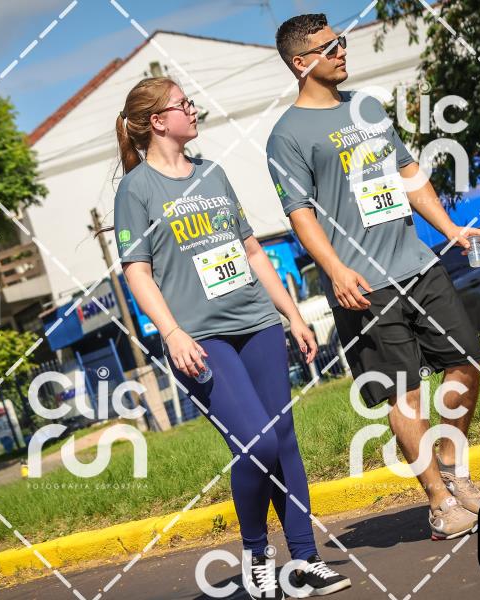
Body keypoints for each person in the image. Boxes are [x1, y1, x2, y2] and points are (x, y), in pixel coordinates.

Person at [113, 77, 352, 598]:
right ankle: (256, 551)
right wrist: (171, 332)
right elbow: (137, 272)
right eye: (183, 105)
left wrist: (292, 315)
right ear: (157, 121)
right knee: (256, 444)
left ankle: (306, 559)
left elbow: (251, 251)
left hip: (257, 322)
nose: (193, 110)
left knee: (283, 442)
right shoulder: (136, 189)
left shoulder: (212, 173)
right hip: (200, 338)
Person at [267, 14, 480, 541]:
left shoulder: (366, 107)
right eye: (329, 47)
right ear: (300, 63)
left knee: (465, 366)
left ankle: (452, 469)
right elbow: (300, 214)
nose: (341, 51)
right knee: (404, 394)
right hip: (364, 284)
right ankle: (439, 503)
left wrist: (450, 230)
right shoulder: (286, 137)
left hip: (418, 263)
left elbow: (409, 175)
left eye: (341, 41)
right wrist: (335, 269)